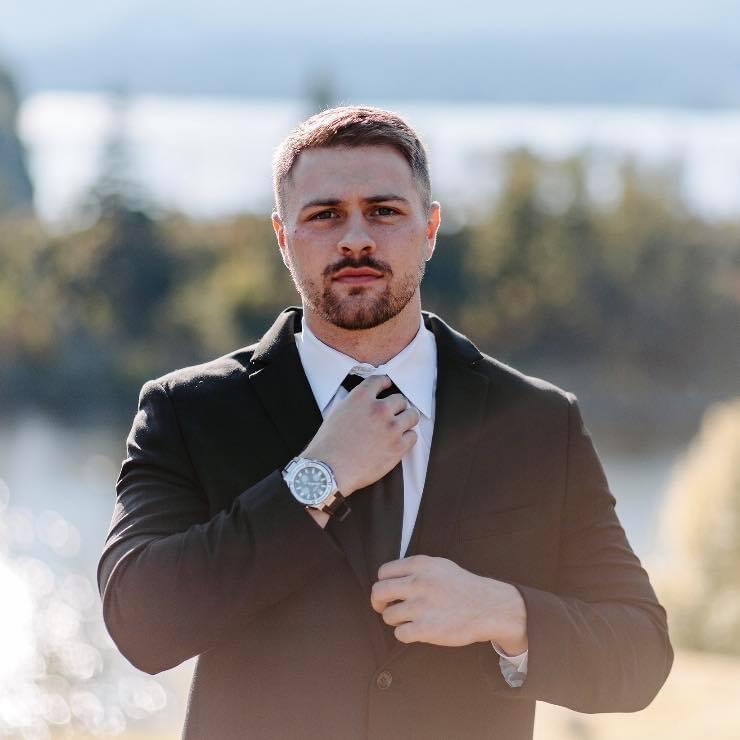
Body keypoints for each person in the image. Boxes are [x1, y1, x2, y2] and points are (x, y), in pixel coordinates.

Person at [97, 105, 673, 739]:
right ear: (284, 237)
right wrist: (316, 479)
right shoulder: (189, 410)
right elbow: (139, 624)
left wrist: (502, 612)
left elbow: (640, 654)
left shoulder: (539, 423)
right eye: (325, 215)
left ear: (430, 229)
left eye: (384, 211)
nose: (355, 239)